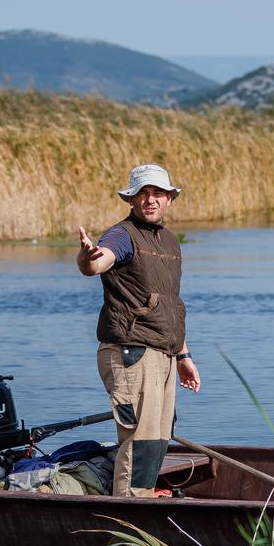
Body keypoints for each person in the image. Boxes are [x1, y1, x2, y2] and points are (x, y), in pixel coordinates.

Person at [76, 164, 200, 497]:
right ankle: (129, 518)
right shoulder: (122, 235)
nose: (150, 199)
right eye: (142, 193)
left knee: (157, 440)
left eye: (158, 193)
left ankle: (142, 504)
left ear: (169, 199)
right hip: (132, 353)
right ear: (131, 200)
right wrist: (88, 258)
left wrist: (184, 355)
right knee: (138, 440)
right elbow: (98, 261)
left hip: (165, 356)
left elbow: (170, 305)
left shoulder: (170, 242)